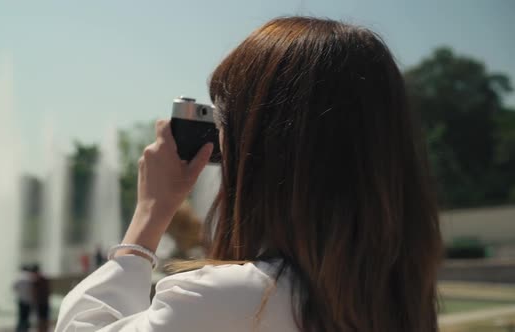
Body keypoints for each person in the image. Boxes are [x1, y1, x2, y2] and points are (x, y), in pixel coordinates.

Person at [55, 16, 443, 332]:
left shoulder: (229, 301)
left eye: (225, 121)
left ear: (260, 145)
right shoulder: (401, 295)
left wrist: (149, 217)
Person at [31, 264, 51, 332]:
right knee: (44, 319)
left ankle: (42, 330)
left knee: (41, 319)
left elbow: (34, 293)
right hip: (44, 302)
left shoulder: (36, 280)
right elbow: (48, 291)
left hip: (41, 302)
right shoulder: (43, 279)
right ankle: (44, 330)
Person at [13, 266, 33, 332]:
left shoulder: (18, 278)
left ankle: (20, 329)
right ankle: (25, 329)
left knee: (21, 316)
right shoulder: (30, 277)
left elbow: (14, 288)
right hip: (28, 300)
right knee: (27, 317)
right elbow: (33, 289)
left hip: (21, 300)